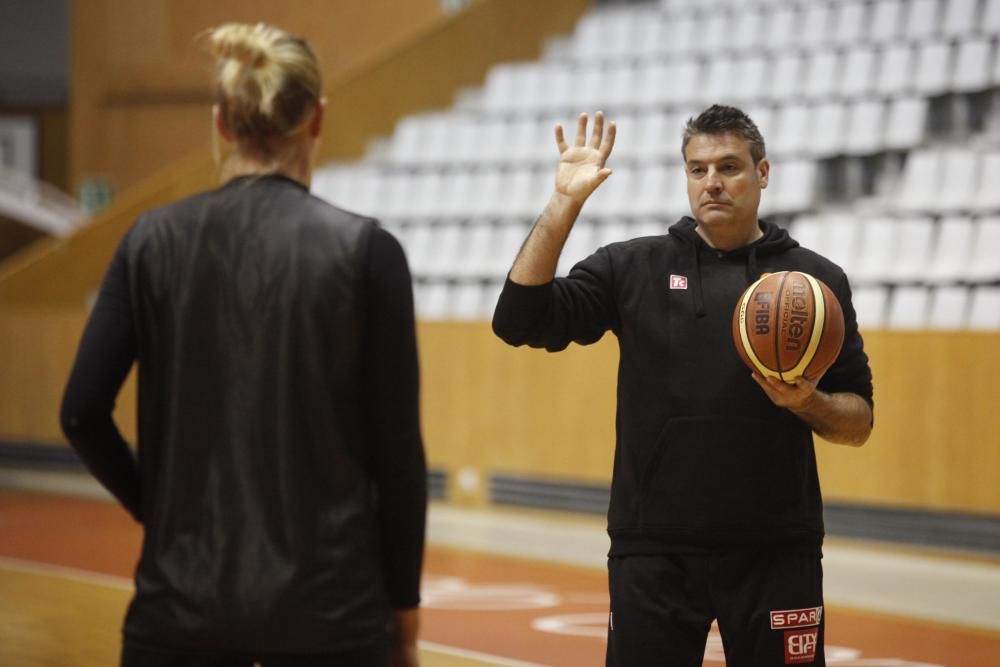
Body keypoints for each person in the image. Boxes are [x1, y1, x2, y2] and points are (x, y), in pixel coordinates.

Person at [60, 23, 426, 667]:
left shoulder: (149, 240)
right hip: (332, 614)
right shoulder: (367, 252)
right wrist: (403, 605)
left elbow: (81, 412)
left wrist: (159, 507)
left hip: (178, 607)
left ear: (222, 124)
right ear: (317, 119)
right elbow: (398, 454)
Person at [492, 105, 873, 666]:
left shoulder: (815, 284)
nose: (712, 182)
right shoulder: (634, 267)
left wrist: (808, 402)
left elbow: (859, 421)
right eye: (697, 170)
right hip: (653, 548)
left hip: (775, 549)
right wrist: (565, 202)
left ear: (762, 172)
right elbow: (518, 319)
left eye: (729, 166)